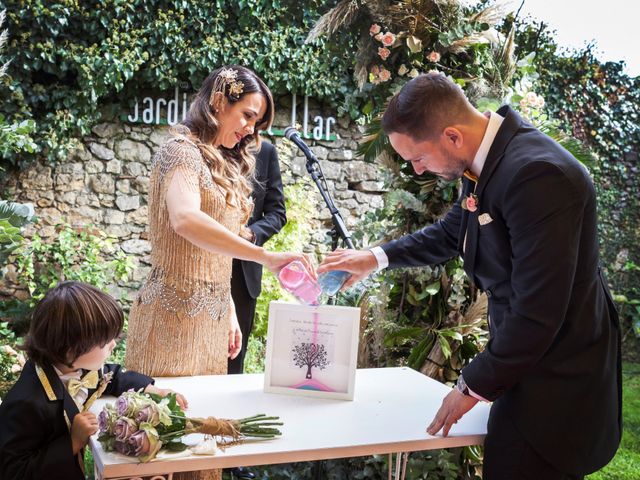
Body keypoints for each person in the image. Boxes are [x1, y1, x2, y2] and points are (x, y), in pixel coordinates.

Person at [318, 72, 621, 480]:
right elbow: (454, 231)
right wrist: (373, 257)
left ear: (452, 136)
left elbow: (539, 311)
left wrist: (470, 386)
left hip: (556, 379)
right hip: (523, 360)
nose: (418, 170)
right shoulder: (487, 159)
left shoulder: (538, 175)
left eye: (418, 158)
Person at [125, 65, 311, 480]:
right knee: (160, 449)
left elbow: (214, 250)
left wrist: (226, 306)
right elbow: (186, 221)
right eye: (247, 115)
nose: (250, 129)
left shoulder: (224, 162)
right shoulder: (180, 151)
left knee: (202, 451)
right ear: (217, 101)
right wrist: (266, 257)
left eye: (257, 122)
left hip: (210, 326)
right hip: (169, 320)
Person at [0, 281, 186, 480]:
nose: (113, 344)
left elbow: (111, 376)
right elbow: (13, 471)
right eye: (105, 341)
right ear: (71, 348)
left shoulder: (69, 366)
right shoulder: (27, 402)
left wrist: (151, 390)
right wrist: (73, 442)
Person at [228, 140, 286, 376]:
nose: (251, 128)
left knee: (233, 358)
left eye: (259, 121)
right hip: (201, 268)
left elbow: (277, 213)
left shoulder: (265, 152)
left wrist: (251, 234)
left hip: (242, 274)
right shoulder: (203, 146)